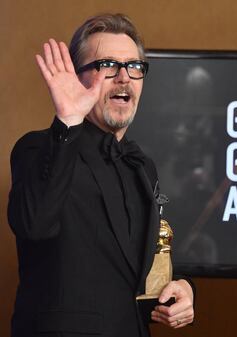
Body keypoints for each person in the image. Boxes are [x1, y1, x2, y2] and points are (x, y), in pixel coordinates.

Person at [7, 13, 194, 337]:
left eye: (134, 67)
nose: (124, 77)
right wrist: (67, 121)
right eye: (107, 65)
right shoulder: (38, 148)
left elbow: (141, 265)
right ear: (77, 78)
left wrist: (182, 290)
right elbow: (33, 224)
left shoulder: (142, 166)